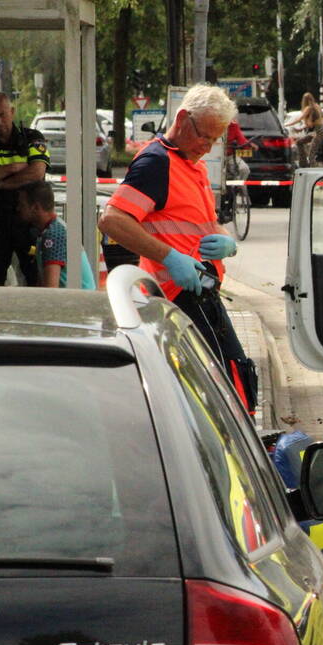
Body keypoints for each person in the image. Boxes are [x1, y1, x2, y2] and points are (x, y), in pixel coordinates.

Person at [98, 83, 257, 412]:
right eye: (204, 137)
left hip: (198, 292)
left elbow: (202, 222)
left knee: (231, 380)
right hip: (177, 297)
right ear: (183, 118)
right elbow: (112, 220)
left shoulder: (192, 166)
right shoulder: (156, 163)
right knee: (221, 391)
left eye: (215, 140)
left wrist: (227, 243)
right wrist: (171, 258)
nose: (208, 147)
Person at [0, 92, 50, 286]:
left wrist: (0, 183)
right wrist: (12, 168)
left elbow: (36, 172)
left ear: (12, 112)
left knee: (35, 277)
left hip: (28, 221)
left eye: (3, 114)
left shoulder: (32, 137)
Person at [16, 181, 95, 289]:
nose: (18, 209)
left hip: (77, 303)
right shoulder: (49, 231)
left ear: (35, 208)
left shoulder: (54, 235)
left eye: (22, 205)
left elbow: (51, 289)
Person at [285, 92, 323, 167]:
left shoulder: (309, 108)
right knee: (299, 142)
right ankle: (303, 163)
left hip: (319, 131)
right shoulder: (317, 106)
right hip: (321, 130)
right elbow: (317, 121)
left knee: (311, 152)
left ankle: (311, 167)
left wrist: (287, 124)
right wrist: (302, 128)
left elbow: (299, 119)